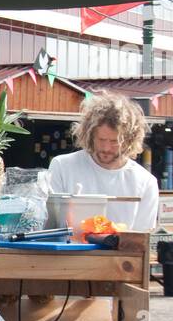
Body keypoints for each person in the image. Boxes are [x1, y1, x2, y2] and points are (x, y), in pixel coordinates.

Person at [48, 92, 158, 231]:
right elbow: (51, 226)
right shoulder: (62, 166)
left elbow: (141, 239)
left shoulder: (146, 182)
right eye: (101, 140)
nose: (106, 148)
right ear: (89, 135)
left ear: (129, 140)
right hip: (68, 251)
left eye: (114, 142)